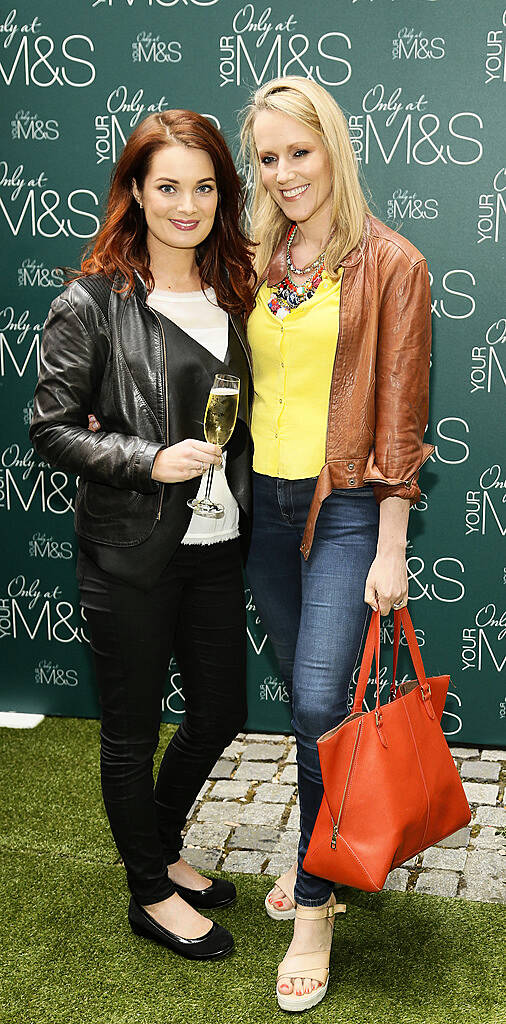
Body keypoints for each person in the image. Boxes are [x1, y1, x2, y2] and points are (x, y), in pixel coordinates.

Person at [30, 110, 255, 961]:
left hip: (218, 543)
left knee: (222, 709)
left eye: (203, 187)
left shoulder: (235, 293)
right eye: (168, 186)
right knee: (130, 730)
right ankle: (149, 893)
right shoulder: (88, 302)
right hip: (128, 548)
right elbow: (50, 429)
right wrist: (143, 457)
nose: (186, 204)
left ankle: (160, 846)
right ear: (135, 191)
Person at [240, 76, 434, 1011]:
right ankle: (323, 841)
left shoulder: (392, 261)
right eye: (268, 157)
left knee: (321, 702)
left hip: (349, 505)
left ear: (335, 150)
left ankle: (316, 900)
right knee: (306, 699)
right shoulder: (259, 252)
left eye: (299, 153)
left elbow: (401, 420)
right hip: (260, 505)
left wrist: (392, 541)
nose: (283, 173)